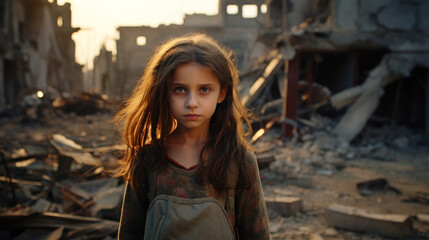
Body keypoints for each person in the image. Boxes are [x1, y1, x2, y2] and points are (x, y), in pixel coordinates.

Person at [114, 33, 270, 240]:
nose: (192, 102)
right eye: (180, 89)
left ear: (221, 93)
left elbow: (257, 235)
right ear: (163, 92)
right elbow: (129, 232)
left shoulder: (239, 161)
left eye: (204, 89)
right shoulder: (147, 158)